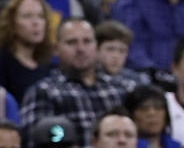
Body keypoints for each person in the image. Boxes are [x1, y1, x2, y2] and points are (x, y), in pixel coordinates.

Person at [20, 19, 134, 148]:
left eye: (87, 41)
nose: (81, 49)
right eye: (72, 42)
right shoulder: (44, 91)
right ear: (56, 49)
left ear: (96, 46)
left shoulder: (121, 88)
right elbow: (33, 142)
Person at [0, 0, 54, 102]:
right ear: (12, 24)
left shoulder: (49, 67)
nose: (36, 22)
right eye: (27, 16)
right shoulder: (2, 61)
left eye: (40, 16)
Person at [124, 84, 180, 148]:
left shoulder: (176, 145)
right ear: (131, 114)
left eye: (158, 107)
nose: (152, 113)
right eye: (144, 108)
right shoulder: (122, 145)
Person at [94, 20, 145, 86]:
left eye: (122, 51)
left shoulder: (138, 80)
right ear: (96, 50)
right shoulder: (89, 80)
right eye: (110, 49)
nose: (116, 56)